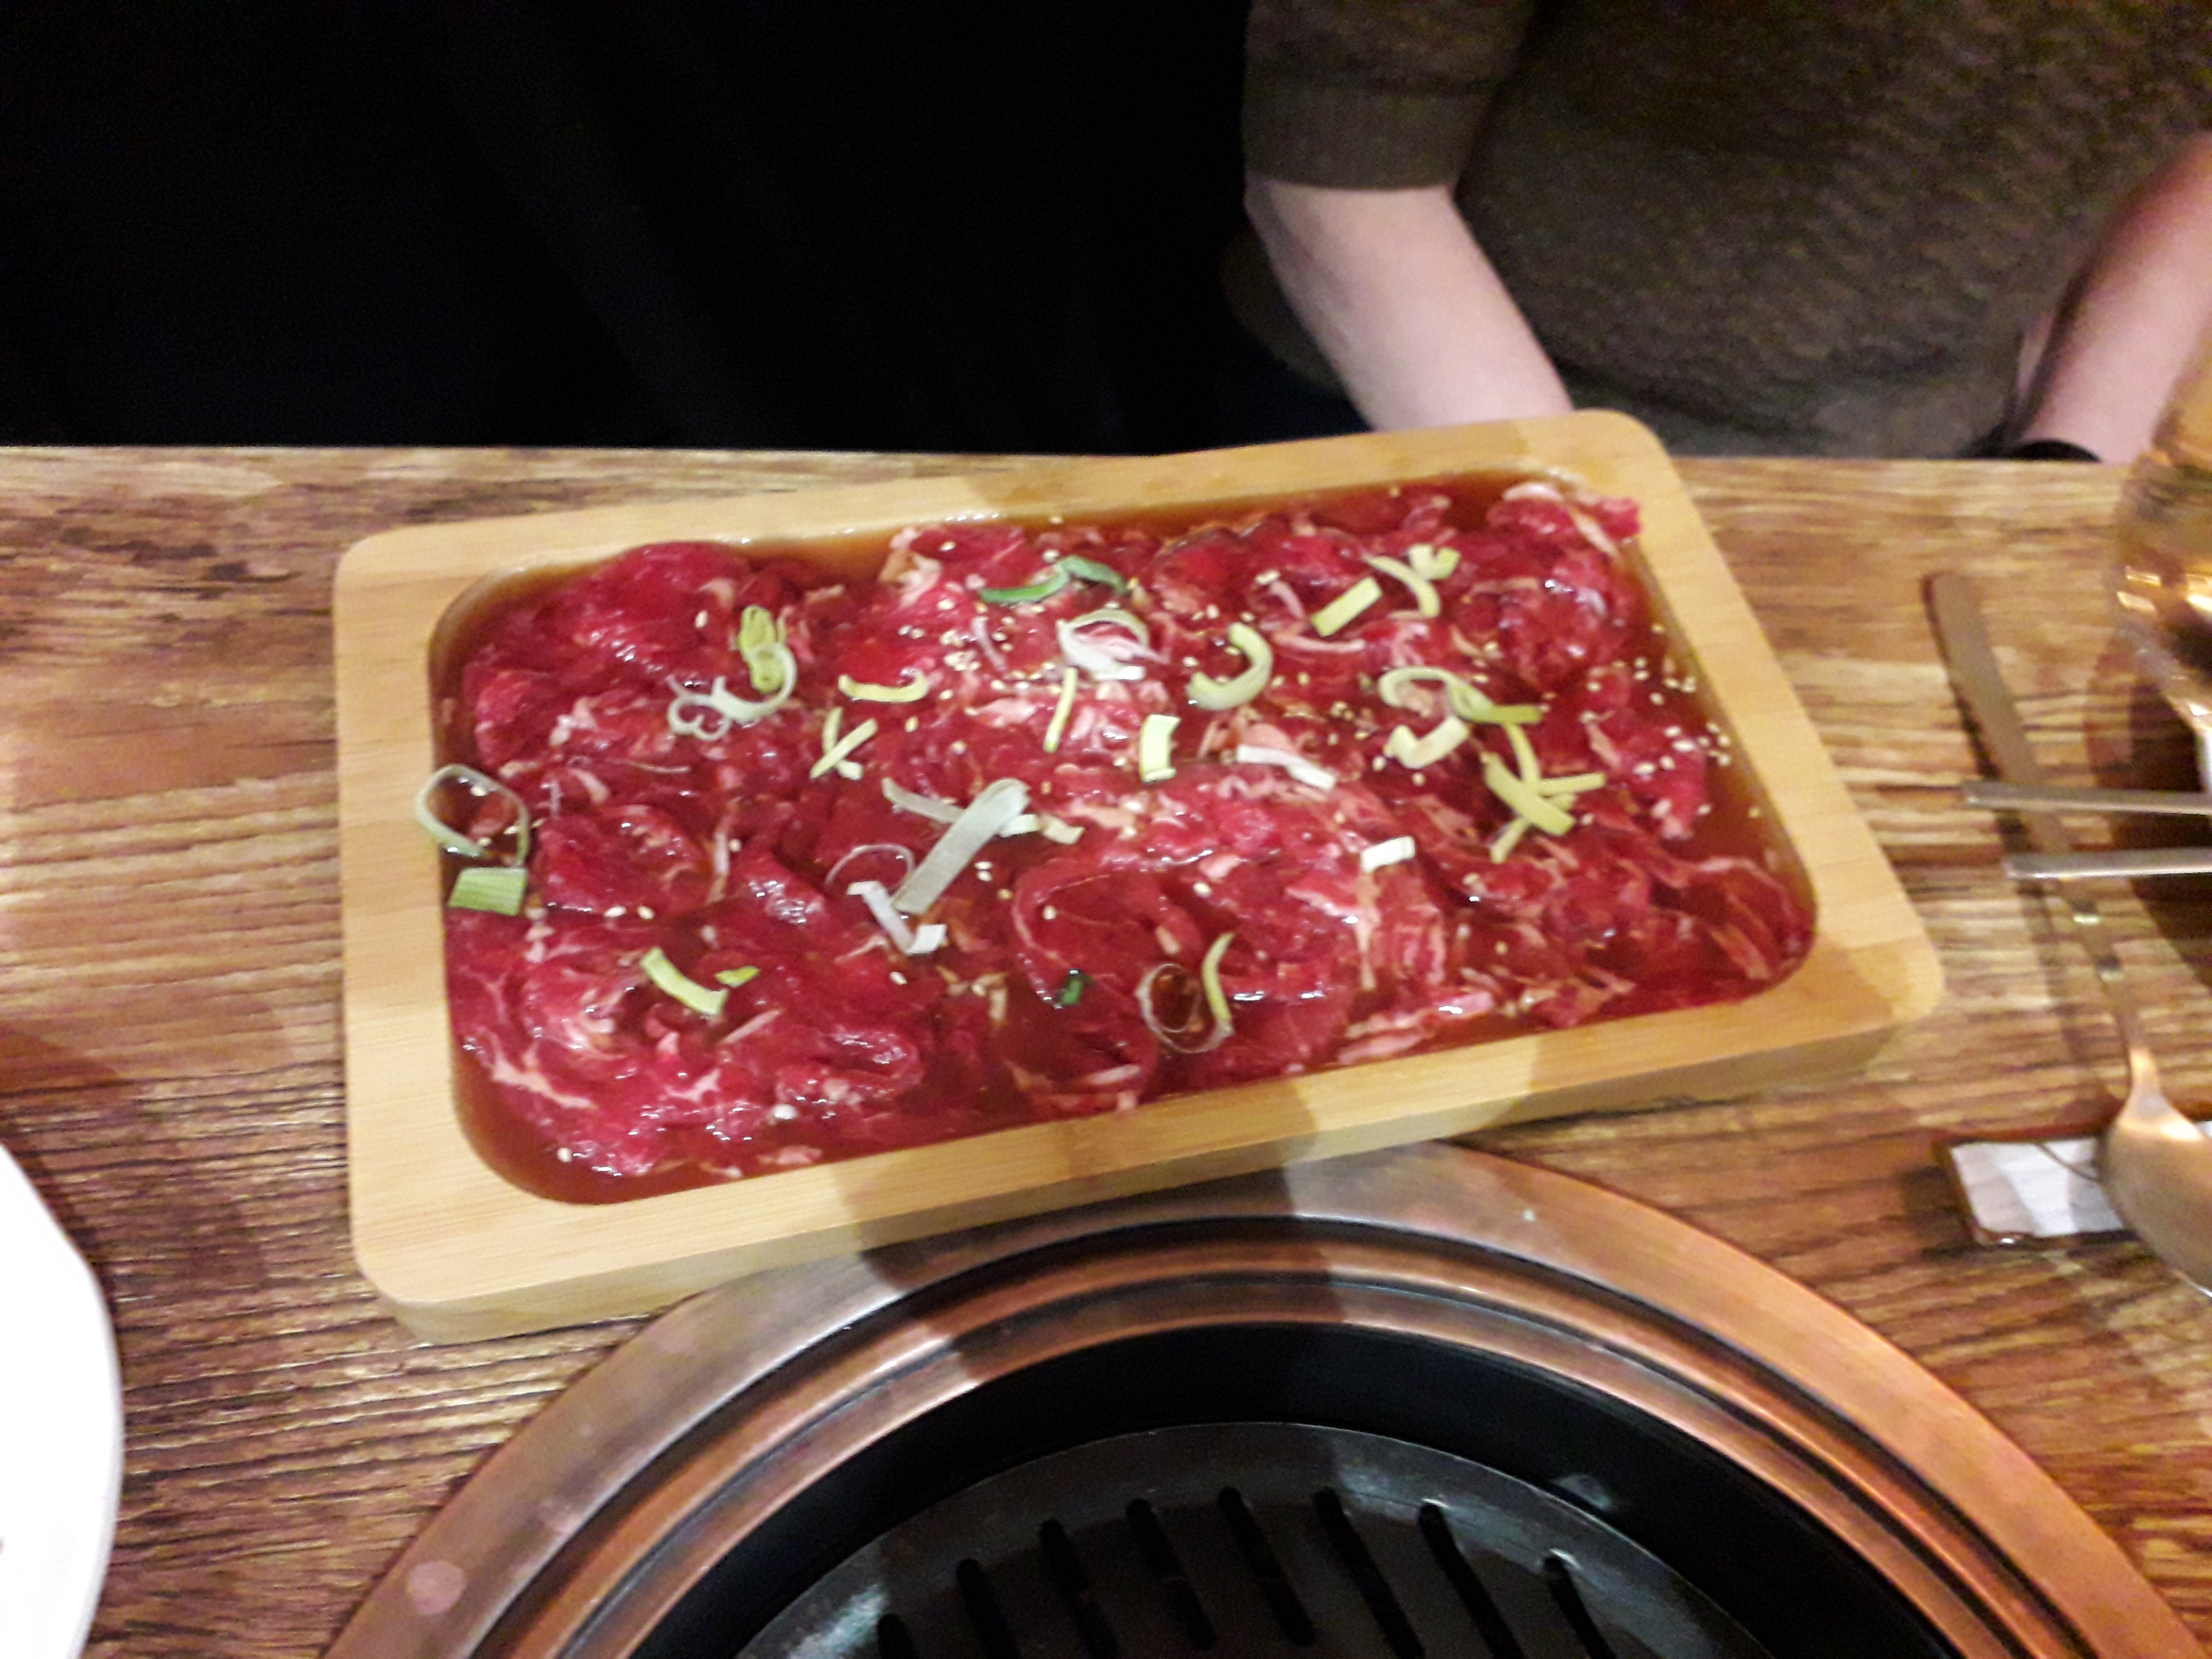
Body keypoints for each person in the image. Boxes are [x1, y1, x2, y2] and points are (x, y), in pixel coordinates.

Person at [1223, 0, 2212, 461]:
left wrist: (2067, 474)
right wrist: (1604, 533)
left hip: (1929, 459)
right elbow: (1339, 163)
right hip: (1424, 409)